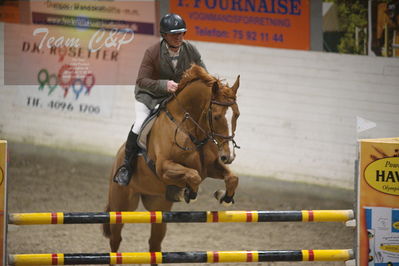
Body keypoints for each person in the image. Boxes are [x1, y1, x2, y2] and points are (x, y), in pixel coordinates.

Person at [113, 13, 207, 186]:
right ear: (164, 35)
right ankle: (127, 166)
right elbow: (142, 80)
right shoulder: (152, 52)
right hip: (149, 95)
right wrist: (164, 85)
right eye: (174, 34)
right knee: (140, 123)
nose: (179, 37)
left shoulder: (190, 49)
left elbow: (203, 73)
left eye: (181, 33)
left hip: (173, 97)